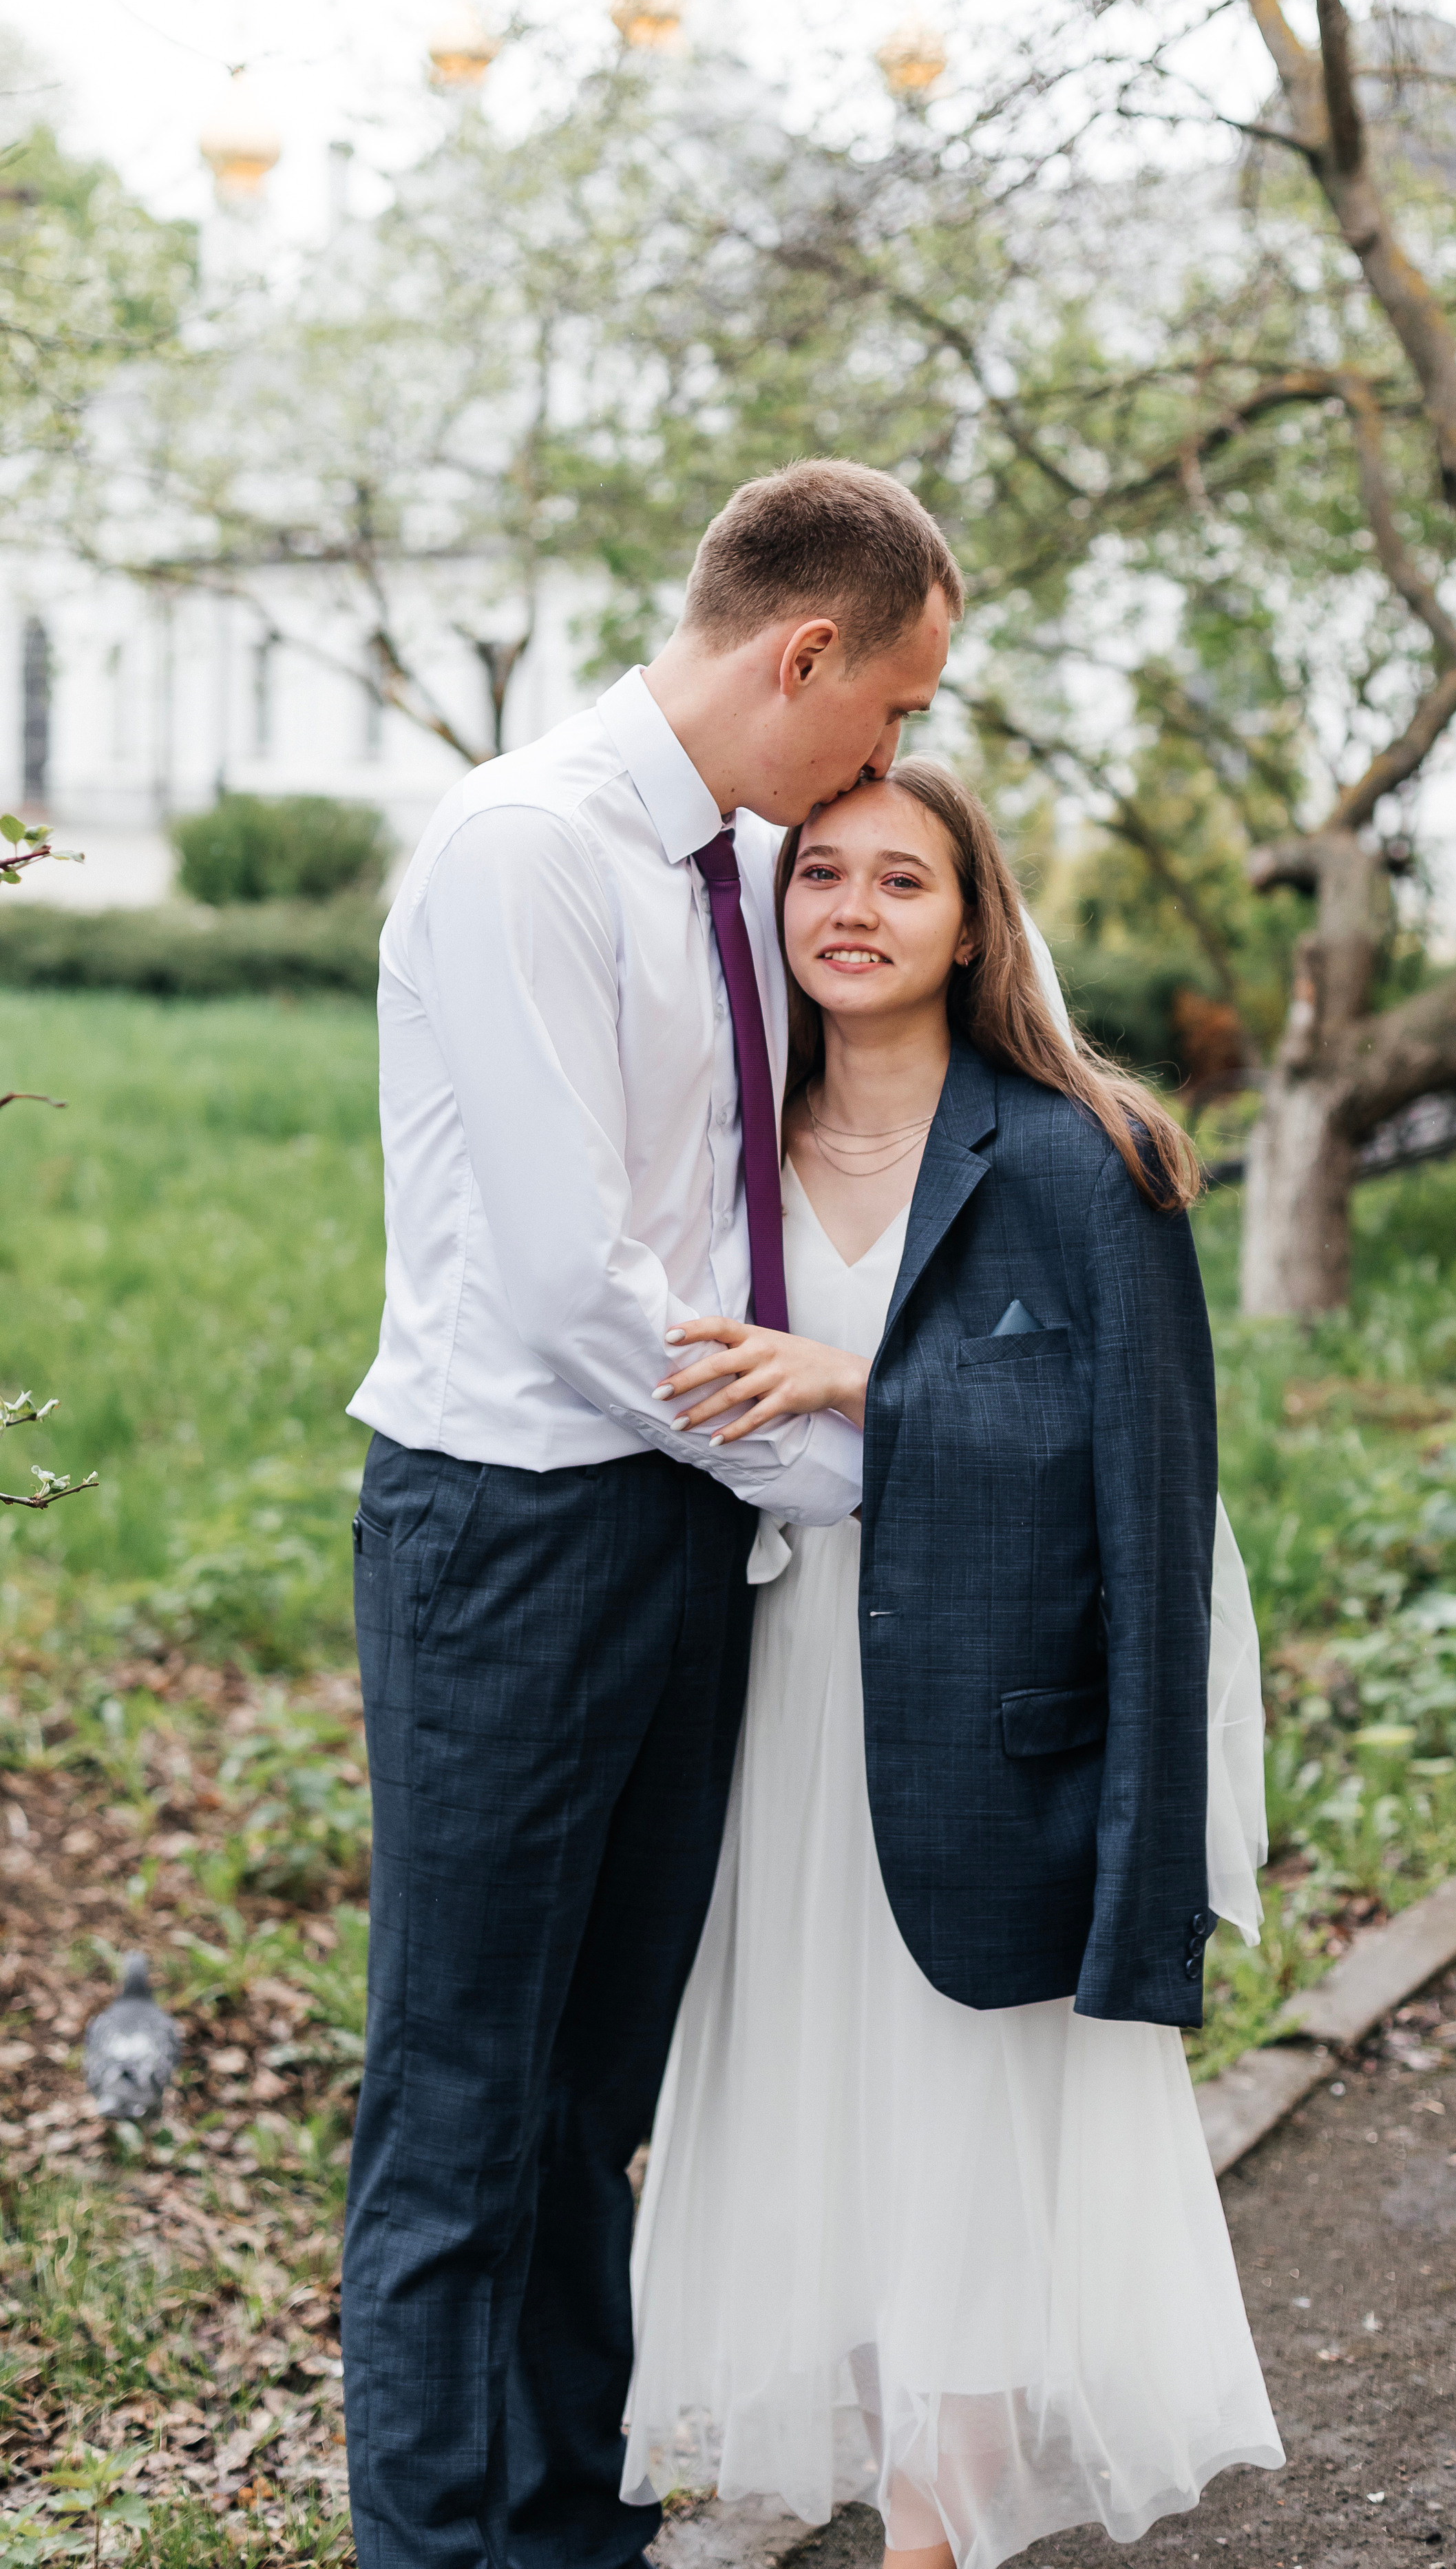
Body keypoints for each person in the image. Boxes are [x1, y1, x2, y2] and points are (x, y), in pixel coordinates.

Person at [340, 461, 964, 2569]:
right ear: (804, 655)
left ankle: (563, 2536)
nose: (894, 759)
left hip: (687, 1537)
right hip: (512, 1542)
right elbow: (573, 1288)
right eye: (888, 711)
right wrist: (858, 1464)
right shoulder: (530, 849)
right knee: (460, 2110)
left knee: (592, 2101)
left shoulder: (748, 871)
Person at [622, 759, 1284, 2569]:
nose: (849, 906)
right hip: (768, 1709)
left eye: (899, 879)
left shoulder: (1087, 1157)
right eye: (817, 872)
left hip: (994, 1736)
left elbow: (1139, 1473)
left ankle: (932, 2542)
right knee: (816, 2107)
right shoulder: (714, 1158)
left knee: (968, 2136)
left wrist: (863, 1386)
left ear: (974, 918)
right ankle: (858, 2468)